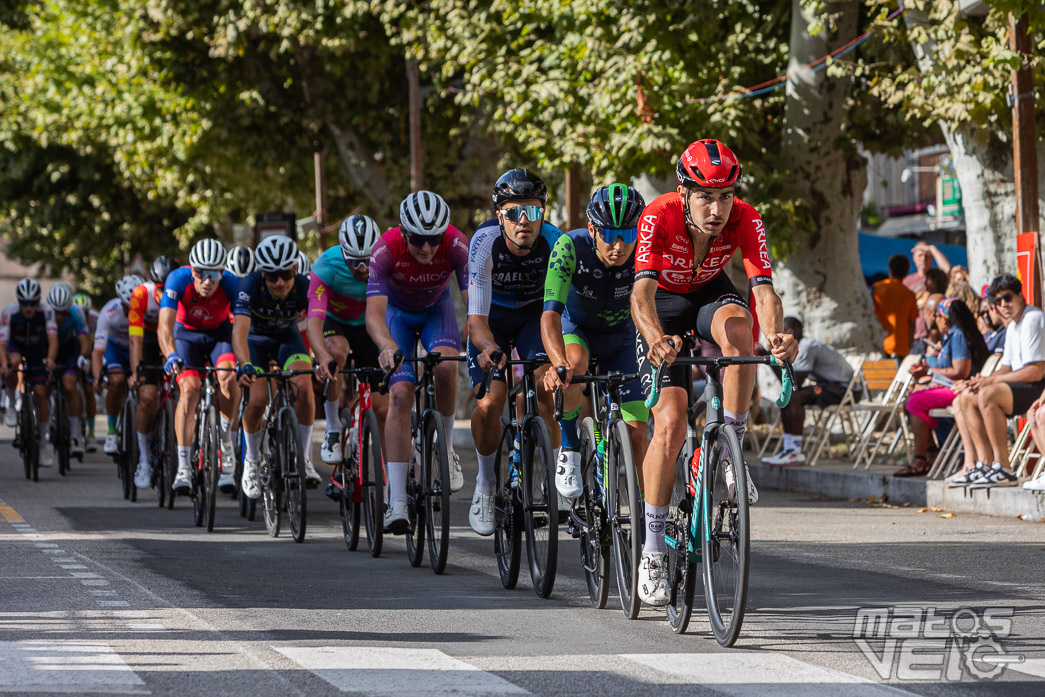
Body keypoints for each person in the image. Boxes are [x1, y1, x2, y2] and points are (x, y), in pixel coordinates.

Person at [631, 139, 797, 606]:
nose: (718, 208)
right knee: (672, 422)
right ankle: (652, 550)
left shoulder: (747, 216)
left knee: (741, 335)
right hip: (661, 303)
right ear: (684, 192)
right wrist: (655, 338)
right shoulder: (657, 216)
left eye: (726, 195)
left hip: (707, 292)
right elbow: (640, 296)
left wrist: (777, 336)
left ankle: (729, 448)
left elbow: (763, 290)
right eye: (706, 196)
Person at [542, 183, 649, 522]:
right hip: (579, 331)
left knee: (637, 433)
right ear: (592, 228)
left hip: (622, 337)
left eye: (628, 234)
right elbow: (550, 314)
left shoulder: (645, 250)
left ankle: (648, 513)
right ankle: (570, 447)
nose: (619, 246)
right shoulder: (569, 246)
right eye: (609, 235)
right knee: (575, 364)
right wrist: (557, 362)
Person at [366, 191, 469, 534]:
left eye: (433, 240)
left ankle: (446, 448)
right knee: (399, 394)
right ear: (403, 231)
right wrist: (385, 346)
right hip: (397, 318)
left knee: (447, 366)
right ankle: (397, 501)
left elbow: (475, 300)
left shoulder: (456, 244)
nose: (426, 248)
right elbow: (374, 315)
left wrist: (475, 329)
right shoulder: (385, 248)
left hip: (436, 313)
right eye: (418, 240)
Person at [466, 169, 562, 536]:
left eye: (534, 212)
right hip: (493, 319)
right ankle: (486, 485)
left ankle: (548, 481)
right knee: (491, 402)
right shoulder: (484, 242)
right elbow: (475, 319)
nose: (524, 221)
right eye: (513, 212)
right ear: (499, 216)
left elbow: (558, 315)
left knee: (547, 386)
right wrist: (489, 347)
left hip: (535, 319)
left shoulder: (555, 242)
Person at [234, 234, 320, 497]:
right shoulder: (250, 285)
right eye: (272, 276)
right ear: (262, 274)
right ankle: (251, 459)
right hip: (256, 342)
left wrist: (323, 357)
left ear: (295, 269)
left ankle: (304, 458)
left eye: (285, 274)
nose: (280, 282)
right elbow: (239, 331)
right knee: (257, 400)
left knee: (305, 388)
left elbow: (318, 325)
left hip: (288, 340)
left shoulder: (307, 286)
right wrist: (245, 364)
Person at [159, 239, 242, 495]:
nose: (207, 280)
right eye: (201, 273)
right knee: (189, 389)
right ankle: (184, 466)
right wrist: (171, 354)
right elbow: (164, 326)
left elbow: (240, 327)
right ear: (192, 270)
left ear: (223, 272)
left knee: (229, 379)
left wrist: (245, 361)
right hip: (186, 335)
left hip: (220, 334)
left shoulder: (232, 283)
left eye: (214, 273)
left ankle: (226, 441)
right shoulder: (177, 279)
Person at [949, 274, 1045, 487]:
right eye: (998, 302)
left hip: (1037, 386)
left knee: (987, 394)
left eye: (1007, 298)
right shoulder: (1012, 326)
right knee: (966, 397)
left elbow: (1035, 372)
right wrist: (983, 379)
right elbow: (1006, 367)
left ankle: (1004, 467)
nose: (1003, 305)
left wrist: (989, 384)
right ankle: (984, 463)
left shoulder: (1033, 319)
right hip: (1022, 385)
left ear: (1020, 295)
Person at [310, 215, 385, 476]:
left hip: (369, 325)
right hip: (336, 322)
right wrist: (321, 357)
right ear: (342, 251)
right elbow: (314, 320)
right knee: (336, 353)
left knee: (381, 404)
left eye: (368, 260)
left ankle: (359, 421)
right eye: (354, 261)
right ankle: (332, 428)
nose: (363, 268)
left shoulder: (386, 260)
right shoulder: (326, 265)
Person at [896, 297, 988, 477]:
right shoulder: (951, 336)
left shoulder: (958, 335)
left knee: (915, 402)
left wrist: (928, 372)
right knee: (912, 398)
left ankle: (920, 458)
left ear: (944, 318)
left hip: (961, 389)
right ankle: (930, 452)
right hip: (950, 387)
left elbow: (961, 371)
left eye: (937, 315)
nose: (935, 319)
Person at [760, 317, 856, 467]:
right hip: (829, 386)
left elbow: (794, 383)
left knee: (794, 397)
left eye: (780, 334)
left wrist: (769, 359)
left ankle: (796, 451)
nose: (776, 339)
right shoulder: (800, 346)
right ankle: (789, 448)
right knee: (789, 397)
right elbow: (790, 383)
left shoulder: (806, 348)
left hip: (844, 390)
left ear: (789, 332)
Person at [128, 256, 177, 489]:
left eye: (167, 289)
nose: (162, 294)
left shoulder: (181, 294)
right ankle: (145, 460)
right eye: (159, 289)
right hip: (147, 340)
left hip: (172, 337)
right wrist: (137, 372)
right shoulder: (140, 295)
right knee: (147, 398)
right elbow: (135, 340)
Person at [0, 279, 58, 465]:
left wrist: (50, 359)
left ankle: (42, 444)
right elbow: (2, 342)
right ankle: (10, 404)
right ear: (18, 302)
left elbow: (53, 339)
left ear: (38, 301)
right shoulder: (9, 312)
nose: (28, 308)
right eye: (24, 303)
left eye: (32, 303)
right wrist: (3, 363)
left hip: (37, 351)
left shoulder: (46, 311)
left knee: (41, 393)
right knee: (12, 363)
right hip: (15, 347)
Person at [92, 275, 145, 456]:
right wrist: (98, 377)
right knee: (116, 381)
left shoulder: (148, 308)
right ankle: (112, 431)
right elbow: (98, 351)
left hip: (140, 346)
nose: (131, 310)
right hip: (116, 350)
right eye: (126, 306)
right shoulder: (109, 313)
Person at [46, 282, 89, 458]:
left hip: (70, 352)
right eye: (55, 312)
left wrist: (82, 356)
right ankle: (46, 419)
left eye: (62, 313)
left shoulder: (76, 312)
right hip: (48, 350)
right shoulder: (43, 312)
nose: (58, 317)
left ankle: (75, 435)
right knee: (44, 386)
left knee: (70, 387)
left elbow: (85, 340)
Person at [872, 254, 919, 359]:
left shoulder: (876, 289)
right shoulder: (909, 295)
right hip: (899, 348)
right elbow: (912, 325)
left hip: (877, 345)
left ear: (890, 269)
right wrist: (908, 345)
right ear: (907, 272)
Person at [72, 292, 99, 449]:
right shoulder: (70, 316)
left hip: (90, 350)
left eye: (85, 313)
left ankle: (91, 432)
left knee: (89, 390)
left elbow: (102, 341)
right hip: (72, 349)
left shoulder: (96, 318)